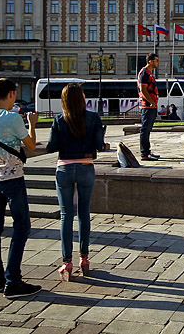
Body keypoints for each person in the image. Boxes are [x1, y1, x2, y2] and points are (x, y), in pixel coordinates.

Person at [0, 78, 41, 299]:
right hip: (12, 178)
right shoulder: (13, 118)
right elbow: (31, 146)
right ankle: (13, 280)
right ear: (12, 94)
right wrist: (32, 123)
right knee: (21, 227)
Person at [46, 84, 105, 281]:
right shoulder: (93, 117)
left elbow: (52, 146)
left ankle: (67, 262)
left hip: (64, 168)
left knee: (66, 215)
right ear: (81, 98)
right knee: (84, 214)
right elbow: (99, 145)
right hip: (86, 167)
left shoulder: (59, 119)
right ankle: (84, 259)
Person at [137, 53, 161, 161]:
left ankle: (147, 151)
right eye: (156, 60)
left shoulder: (149, 73)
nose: (158, 62)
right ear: (150, 61)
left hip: (151, 106)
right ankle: (144, 153)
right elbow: (143, 89)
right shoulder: (144, 73)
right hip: (147, 106)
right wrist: (151, 102)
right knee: (145, 129)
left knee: (148, 129)